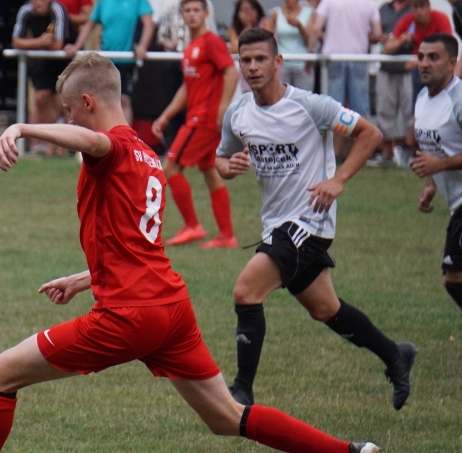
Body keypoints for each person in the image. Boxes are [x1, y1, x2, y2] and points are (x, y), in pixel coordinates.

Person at [0, 52, 391, 453]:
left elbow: (90, 144)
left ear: (88, 104)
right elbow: (135, 244)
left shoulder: (111, 144)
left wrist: (21, 127)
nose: (70, 121)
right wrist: (85, 279)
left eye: (71, 111)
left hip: (130, 316)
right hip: (169, 307)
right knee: (226, 416)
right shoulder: (147, 155)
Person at [215, 28, 416, 411]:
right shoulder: (239, 112)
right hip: (277, 224)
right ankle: (395, 354)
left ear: (278, 63)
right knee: (326, 309)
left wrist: (338, 180)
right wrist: (231, 165)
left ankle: (241, 391)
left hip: (310, 221)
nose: (253, 67)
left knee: (246, 291)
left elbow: (369, 134)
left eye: (261, 59)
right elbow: (220, 159)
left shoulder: (311, 106)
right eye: (246, 60)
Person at [151, 0, 238, 248]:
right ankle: (227, 236)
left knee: (171, 168)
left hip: (204, 120)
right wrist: (166, 116)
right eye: (187, 11)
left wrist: (222, 107)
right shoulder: (191, 47)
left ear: (206, 13)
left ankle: (193, 226)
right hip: (197, 117)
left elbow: (231, 71)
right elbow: (187, 88)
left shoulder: (211, 41)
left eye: (196, 10)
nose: (191, 15)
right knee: (210, 172)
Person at [410, 34, 462, 327]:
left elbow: (442, 156)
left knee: (455, 278)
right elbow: (438, 147)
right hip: (458, 203)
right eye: (421, 56)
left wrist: (440, 164)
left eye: (433, 57)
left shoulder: (461, 99)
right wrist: (433, 183)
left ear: (452, 63)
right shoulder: (422, 98)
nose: (424, 63)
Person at [66, 0, 155, 126]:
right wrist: (76, 46)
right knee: (98, 100)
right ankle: (104, 136)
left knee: (123, 100)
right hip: (105, 61)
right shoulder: (103, 2)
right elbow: (89, 24)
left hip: (126, 60)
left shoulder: (138, 1)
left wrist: (143, 46)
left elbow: (148, 23)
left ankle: (125, 141)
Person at [309, 0, 383, 125]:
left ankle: (334, 143)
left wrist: (310, 52)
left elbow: (316, 28)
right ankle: (362, 139)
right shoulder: (368, 3)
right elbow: (377, 33)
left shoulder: (329, 1)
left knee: (333, 107)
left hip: (333, 57)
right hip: (358, 57)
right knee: (360, 106)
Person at [11, 0, 69, 154]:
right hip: (42, 59)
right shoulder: (25, 11)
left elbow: (58, 45)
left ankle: (57, 144)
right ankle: (44, 141)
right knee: (40, 97)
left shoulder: (58, 10)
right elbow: (16, 41)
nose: (39, 3)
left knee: (61, 102)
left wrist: (30, 43)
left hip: (63, 60)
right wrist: (39, 42)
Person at [384, 0, 452, 100]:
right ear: (411, 8)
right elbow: (386, 50)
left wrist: (420, 61)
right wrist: (400, 41)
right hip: (416, 75)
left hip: (438, 73)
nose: (419, 12)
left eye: (422, 7)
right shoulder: (407, 20)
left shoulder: (441, 19)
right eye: (415, 8)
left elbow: (449, 47)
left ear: (429, 7)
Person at [377, 0, 414, 167]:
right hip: (386, 67)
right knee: (385, 110)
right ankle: (386, 153)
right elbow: (373, 35)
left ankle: (410, 152)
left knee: (409, 112)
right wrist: (382, 38)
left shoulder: (414, 9)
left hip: (408, 68)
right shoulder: (383, 9)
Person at [266, 0, 314, 91]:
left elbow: (310, 42)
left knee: (303, 99)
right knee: (282, 98)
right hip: (283, 65)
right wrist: (272, 23)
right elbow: (268, 38)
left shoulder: (308, 13)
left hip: (302, 64)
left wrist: (300, 27)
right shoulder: (276, 13)